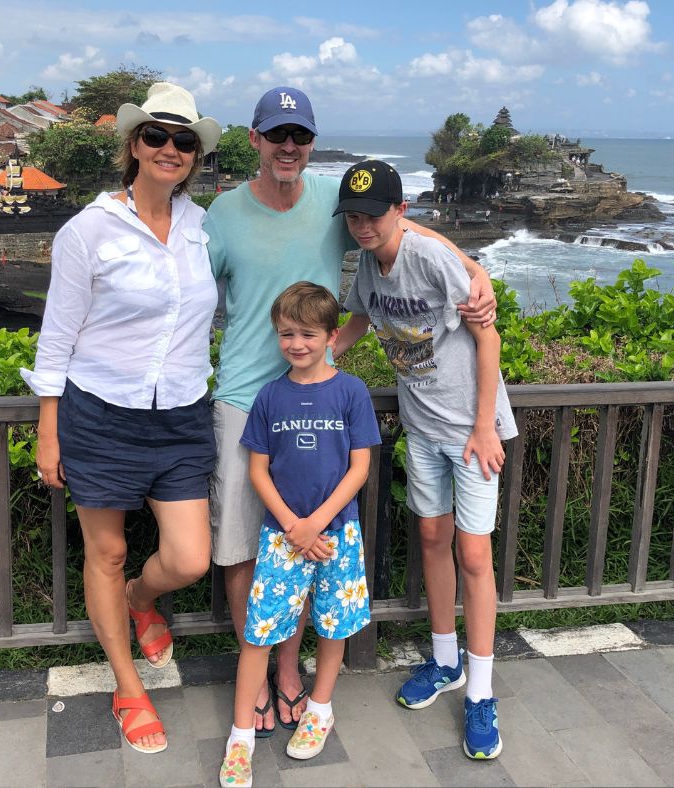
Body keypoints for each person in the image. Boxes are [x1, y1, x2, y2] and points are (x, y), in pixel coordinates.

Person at [204, 86, 499, 738]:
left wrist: (469, 263)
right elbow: (184, 289)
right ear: (252, 138)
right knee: (241, 552)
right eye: (276, 134)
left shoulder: (334, 203)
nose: (289, 146)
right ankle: (252, 676)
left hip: (319, 402)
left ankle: (288, 673)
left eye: (299, 136)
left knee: (315, 544)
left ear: (309, 143)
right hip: (242, 399)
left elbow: (395, 221)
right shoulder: (220, 214)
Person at [21, 82, 222, 754]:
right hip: (100, 414)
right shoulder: (89, 229)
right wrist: (49, 425)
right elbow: (58, 333)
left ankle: (143, 600)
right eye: (157, 136)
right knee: (104, 552)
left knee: (191, 557)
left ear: (195, 155)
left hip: (182, 414)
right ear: (133, 145)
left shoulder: (201, 226)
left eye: (183, 140)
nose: (170, 149)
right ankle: (128, 686)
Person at [333, 160, 518, 761]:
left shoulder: (429, 256)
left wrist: (486, 426)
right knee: (433, 541)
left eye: (374, 214)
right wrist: (323, 354)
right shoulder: (367, 263)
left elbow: (487, 335)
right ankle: (444, 661)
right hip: (421, 428)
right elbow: (362, 316)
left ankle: (482, 692)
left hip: (472, 436)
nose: (363, 226)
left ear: (399, 211)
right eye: (354, 216)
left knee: (473, 554)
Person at [217, 282, 380, 786]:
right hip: (281, 535)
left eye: (308, 333)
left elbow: (359, 467)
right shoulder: (270, 396)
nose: (296, 343)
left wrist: (315, 524)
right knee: (258, 632)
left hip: (337, 532)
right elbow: (258, 472)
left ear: (333, 336)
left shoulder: (350, 392)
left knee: (332, 625)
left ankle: (321, 707)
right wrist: (293, 526)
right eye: (287, 333)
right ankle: (240, 737)